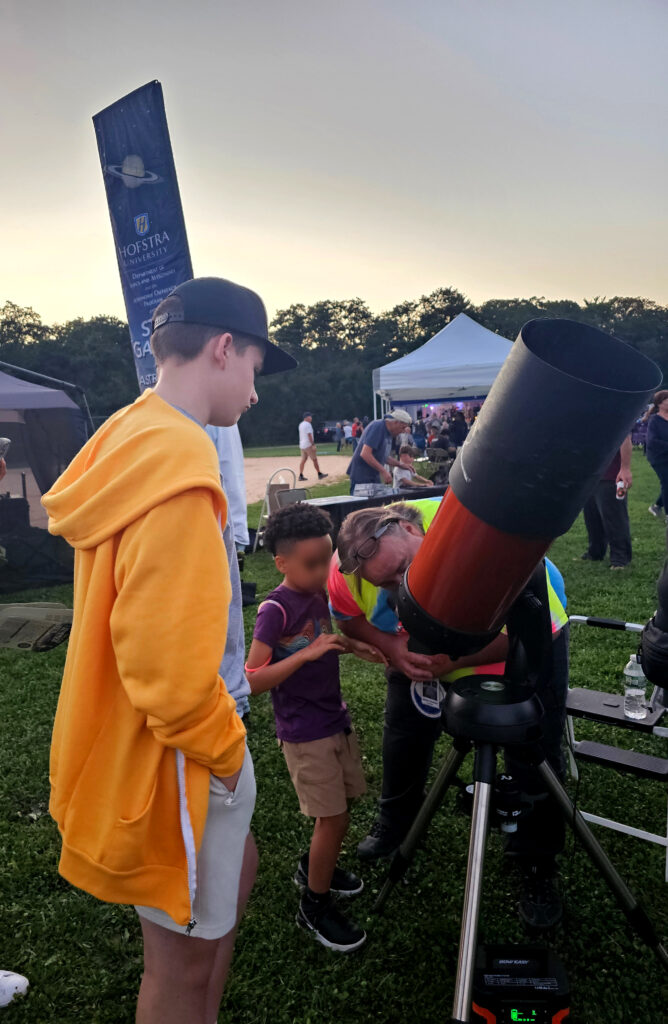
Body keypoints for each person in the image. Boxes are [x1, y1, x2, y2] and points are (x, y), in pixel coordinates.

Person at [42, 276, 296, 1024]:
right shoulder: (183, 465)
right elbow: (166, 672)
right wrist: (226, 755)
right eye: (253, 367)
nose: (254, 392)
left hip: (139, 740)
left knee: (227, 892)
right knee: (179, 975)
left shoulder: (127, 433)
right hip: (177, 757)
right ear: (223, 349)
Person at [329, 500, 570, 930]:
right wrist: (395, 650)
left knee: (535, 750)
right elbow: (347, 618)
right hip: (423, 654)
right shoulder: (350, 566)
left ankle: (536, 863)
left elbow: (529, 637)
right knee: (403, 732)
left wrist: (452, 660)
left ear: (412, 529)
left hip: (522, 642)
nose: (399, 585)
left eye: (404, 568)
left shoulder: (488, 540)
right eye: (386, 582)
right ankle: (396, 822)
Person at [245, 504, 383, 952]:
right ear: (281, 563)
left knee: (342, 806)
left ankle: (313, 866)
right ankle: (314, 905)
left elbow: (319, 640)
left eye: (328, 559)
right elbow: (251, 679)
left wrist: (352, 647)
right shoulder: (274, 608)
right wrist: (305, 655)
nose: (325, 571)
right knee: (334, 817)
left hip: (333, 717)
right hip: (305, 731)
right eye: (312, 564)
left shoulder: (316, 594)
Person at [204, 424, 252, 720]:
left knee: (228, 610)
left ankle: (234, 698)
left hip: (225, 526)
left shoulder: (226, 421)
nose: (254, 397)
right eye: (253, 374)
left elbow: (231, 477)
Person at [581, 436, 633, 569]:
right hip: (591, 475)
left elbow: (625, 437)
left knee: (615, 518)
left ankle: (620, 558)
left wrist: (625, 468)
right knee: (592, 518)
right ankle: (595, 552)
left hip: (611, 475)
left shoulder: (614, 415)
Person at [347, 409, 414, 497]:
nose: (403, 431)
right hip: (361, 476)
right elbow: (365, 453)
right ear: (396, 422)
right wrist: (383, 471)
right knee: (364, 508)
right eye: (403, 428)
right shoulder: (378, 427)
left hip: (373, 476)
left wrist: (400, 465)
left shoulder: (389, 433)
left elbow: (383, 456)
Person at [645, 391, 668, 522]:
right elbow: (652, 441)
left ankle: (657, 506)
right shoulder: (654, 420)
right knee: (667, 482)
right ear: (660, 403)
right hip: (658, 457)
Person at [298, 413, 328, 482]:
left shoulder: (301, 424)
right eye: (310, 416)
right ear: (306, 417)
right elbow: (309, 435)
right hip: (308, 445)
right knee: (314, 460)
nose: (311, 418)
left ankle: (301, 475)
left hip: (302, 445)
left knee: (303, 460)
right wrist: (313, 444)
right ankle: (319, 474)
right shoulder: (308, 424)